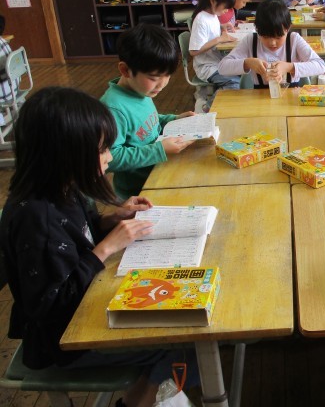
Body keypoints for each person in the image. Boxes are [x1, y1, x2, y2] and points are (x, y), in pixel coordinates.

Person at [0, 87, 200, 407]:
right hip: (66, 338)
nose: (110, 156)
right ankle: (136, 401)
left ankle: (149, 391)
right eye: (103, 149)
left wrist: (110, 220)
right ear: (65, 153)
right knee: (185, 343)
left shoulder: (63, 187)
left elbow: (77, 234)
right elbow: (51, 305)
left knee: (182, 324)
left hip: (87, 302)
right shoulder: (36, 218)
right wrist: (105, 248)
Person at [101, 23, 195, 200]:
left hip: (160, 173)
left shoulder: (140, 90)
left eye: (167, 75)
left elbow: (146, 121)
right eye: (154, 77)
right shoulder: (113, 109)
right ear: (125, 70)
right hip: (140, 192)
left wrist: (173, 119)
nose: (162, 84)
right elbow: (111, 158)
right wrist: (158, 150)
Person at [218, 0, 325, 87]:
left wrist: (289, 67)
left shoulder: (294, 39)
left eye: (278, 37)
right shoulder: (251, 40)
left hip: (290, 97)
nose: (272, 43)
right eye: (265, 37)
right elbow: (222, 68)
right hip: (259, 99)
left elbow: (320, 66)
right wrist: (247, 63)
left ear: (287, 28)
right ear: (257, 30)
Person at [189, 0, 241, 112]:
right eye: (225, 7)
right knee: (234, 83)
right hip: (206, 67)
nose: (226, 11)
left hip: (217, 62)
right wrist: (219, 39)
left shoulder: (212, 15)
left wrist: (222, 27)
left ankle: (213, 99)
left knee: (243, 73)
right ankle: (206, 108)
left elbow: (210, 33)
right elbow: (193, 51)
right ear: (212, 1)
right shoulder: (201, 19)